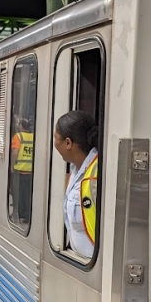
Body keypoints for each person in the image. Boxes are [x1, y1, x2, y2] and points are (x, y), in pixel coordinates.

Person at [53, 111, 99, 259]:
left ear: (68, 143)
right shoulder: (75, 170)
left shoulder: (96, 174)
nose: (54, 144)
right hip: (80, 261)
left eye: (55, 138)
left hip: (92, 264)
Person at [10, 117, 34, 224]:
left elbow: (15, 152)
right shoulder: (33, 137)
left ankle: (19, 213)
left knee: (19, 194)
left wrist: (12, 165)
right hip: (30, 171)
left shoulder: (18, 136)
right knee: (28, 194)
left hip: (20, 170)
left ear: (21, 126)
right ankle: (28, 215)